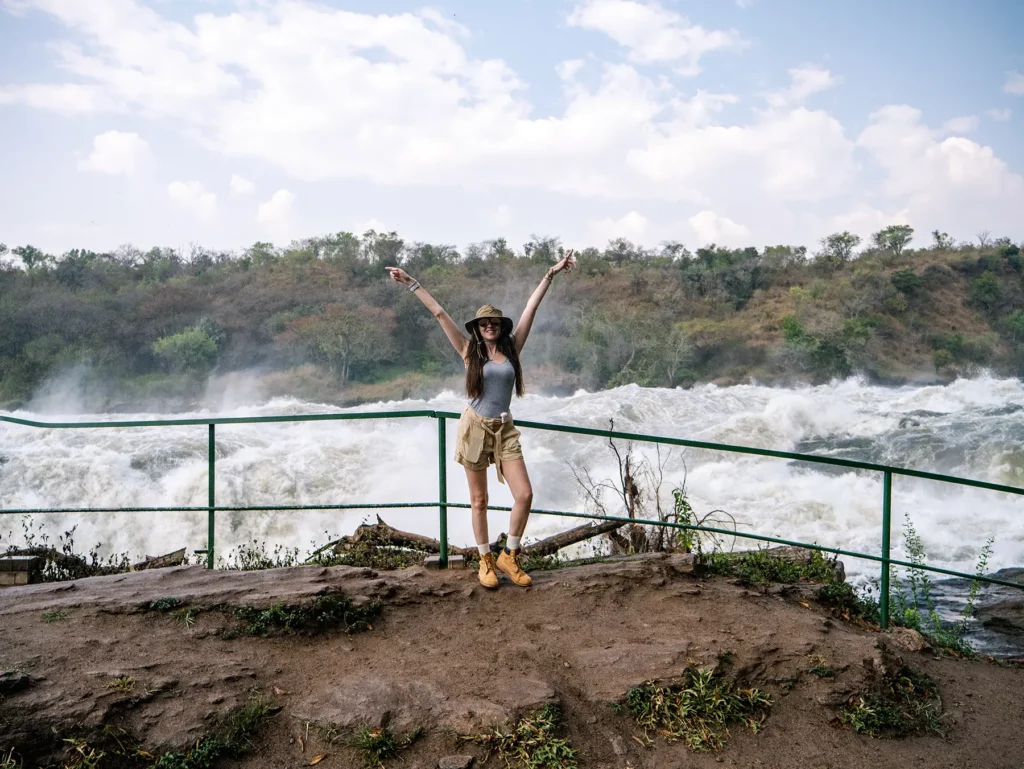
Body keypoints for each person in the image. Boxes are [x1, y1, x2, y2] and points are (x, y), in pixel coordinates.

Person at [385, 250, 577, 589]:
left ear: (501, 327)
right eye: (484, 323)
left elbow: (531, 308)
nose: (490, 327)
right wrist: (410, 282)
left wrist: (550, 274)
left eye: (495, 323)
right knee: (479, 500)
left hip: (505, 430)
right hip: (475, 427)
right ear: (478, 328)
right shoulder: (468, 351)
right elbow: (440, 313)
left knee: (525, 494)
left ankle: (509, 555)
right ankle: (485, 560)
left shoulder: (513, 348)